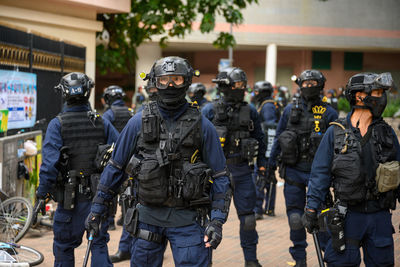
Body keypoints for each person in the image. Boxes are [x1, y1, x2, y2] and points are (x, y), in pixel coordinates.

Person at [85, 56, 232, 267]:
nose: (170, 85)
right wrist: (97, 210)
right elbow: (115, 167)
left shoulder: (202, 125)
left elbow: (220, 175)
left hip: (188, 221)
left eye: (177, 79)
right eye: (164, 80)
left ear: (187, 81)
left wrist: (217, 221)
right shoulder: (138, 121)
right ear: (155, 82)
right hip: (147, 220)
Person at [303, 72, 400, 267]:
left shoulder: (387, 133)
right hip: (347, 218)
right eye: (377, 92)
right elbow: (319, 174)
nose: (382, 97)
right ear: (359, 96)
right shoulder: (335, 132)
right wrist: (311, 208)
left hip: (380, 216)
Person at [34, 72, 119, 267]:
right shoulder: (101, 121)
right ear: (88, 92)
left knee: (64, 247)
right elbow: (120, 153)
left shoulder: (58, 124)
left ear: (63, 93)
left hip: (69, 201)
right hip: (98, 198)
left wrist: (42, 193)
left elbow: (49, 166)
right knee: (98, 243)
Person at [268, 70, 338, 267]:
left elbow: (340, 144)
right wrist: (269, 166)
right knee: (296, 219)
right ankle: (299, 258)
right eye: (305, 83)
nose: (309, 86)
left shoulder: (329, 112)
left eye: (313, 82)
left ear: (321, 84)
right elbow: (279, 138)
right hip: (293, 171)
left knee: (323, 217)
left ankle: (329, 257)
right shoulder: (290, 110)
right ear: (300, 84)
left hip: (320, 176)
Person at [202, 67, 267, 267]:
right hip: (214, 173)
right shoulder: (209, 110)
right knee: (208, 221)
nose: (242, 88)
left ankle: (251, 260)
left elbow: (261, 141)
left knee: (248, 219)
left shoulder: (251, 111)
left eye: (243, 85)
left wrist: (263, 168)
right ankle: (206, 261)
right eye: (237, 85)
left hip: (242, 170)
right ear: (225, 86)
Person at [109, 79, 159, 264]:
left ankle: (130, 248)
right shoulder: (139, 114)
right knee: (131, 212)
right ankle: (126, 248)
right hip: (141, 174)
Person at [252, 81, 280, 219]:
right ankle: (268, 208)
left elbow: (271, 129)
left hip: (268, 148)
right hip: (268, 147)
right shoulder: (268, 104)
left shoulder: (268, 106)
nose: (254, 94)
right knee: (268, 178)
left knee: (263, 177)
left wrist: (268, 153)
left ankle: (259, 209)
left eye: (256, 92)